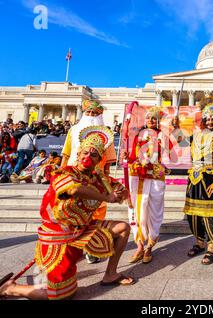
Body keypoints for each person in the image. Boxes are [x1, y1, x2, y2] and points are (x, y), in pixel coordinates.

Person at [0, 126, 135, 300]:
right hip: (59, 236)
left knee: (123, 228)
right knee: (60, 295)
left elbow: (124, 193)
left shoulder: (98, 178)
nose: (88, 157)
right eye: (85, 153)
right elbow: (74, 189)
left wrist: (123, 191)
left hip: (83, 230)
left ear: (99, 160)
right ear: (78, 155)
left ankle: (110, 274)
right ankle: (11, 289)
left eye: (94, 155)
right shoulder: (63, 172)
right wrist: (106, 197)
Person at [172, 96, 213, 265]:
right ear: (203, 120)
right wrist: (176, 128)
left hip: (210, 179)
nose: (210, 121)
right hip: (194, 178)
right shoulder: (195, 136)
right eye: (207, 118)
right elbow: (181, 143)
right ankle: (199, 242)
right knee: (193, 215)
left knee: (210, 216)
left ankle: (211, 246)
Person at [61, 99, 117, 263]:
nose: (92, 116)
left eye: (96, 113)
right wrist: (60, 175)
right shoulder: (73, 130)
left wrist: (107, 182)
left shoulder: (106, 133)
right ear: (84, 114)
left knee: (96, 214)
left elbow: (107, 162)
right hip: (74, 177)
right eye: (89, 112)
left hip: (96, 180)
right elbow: (65, 155)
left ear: (100, 115)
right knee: (71, 212)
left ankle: (92, 248)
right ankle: (70, 246)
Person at [126, 106, 175, 264]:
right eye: (148, 117)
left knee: (154, 211)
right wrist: (129, 156)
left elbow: (175, 151)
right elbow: (131, 154)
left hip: (156, 175)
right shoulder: (138, 134)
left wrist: (176, 131)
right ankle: (139, 245)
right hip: (138, 175)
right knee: (137, 209)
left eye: (154, 118)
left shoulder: (163, 135)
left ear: (158, 120)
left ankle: (150, 245)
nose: (151, 120)